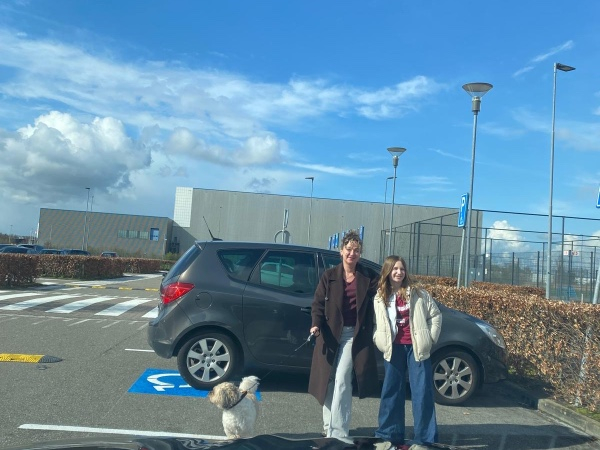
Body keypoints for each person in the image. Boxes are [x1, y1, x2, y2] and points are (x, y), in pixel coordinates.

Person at [308, 230, 379, 439]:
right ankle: (328, 425)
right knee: (328, 380)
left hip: (352, 336)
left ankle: (339, 433)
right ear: (341, 251)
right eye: (348, 249)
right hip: (329, 334)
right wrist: (315, 325)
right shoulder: (329, 276)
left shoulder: (368, 277)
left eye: (356, 250)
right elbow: (318, 304)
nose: (352, 254)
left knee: (342, 379)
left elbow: (385, 289)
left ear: (360, 254)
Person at [373, 255, 442, 449]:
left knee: (422, 393)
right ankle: (389, 435)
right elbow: (376, 323)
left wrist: (429, 339)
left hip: (416, 348)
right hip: (393, 348)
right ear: (388, 271)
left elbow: (435, 315)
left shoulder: (418, 293)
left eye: (402, 269)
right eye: (395, 269)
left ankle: (424, 439)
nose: (399, 272)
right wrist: (379, 339)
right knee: (391, 392)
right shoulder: (380, 296)